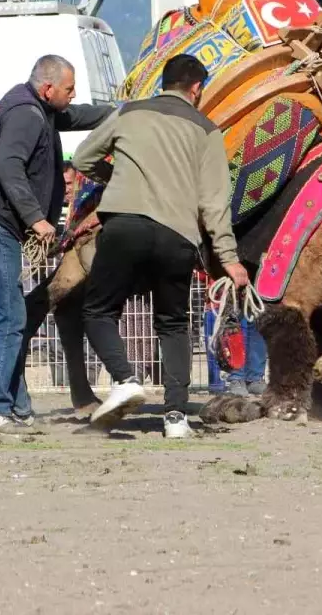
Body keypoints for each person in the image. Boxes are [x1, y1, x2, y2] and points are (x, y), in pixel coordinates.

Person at [72, 54, 248, 438]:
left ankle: (124, 379)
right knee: (173, 324)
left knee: (98, 310)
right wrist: (229, 259)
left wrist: (116, 177)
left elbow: (83, 157)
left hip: (124, 226)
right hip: (177, 234)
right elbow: (215, 203)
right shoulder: (206, 130)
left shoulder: (128, 112)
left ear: (164, 83)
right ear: (196, 88)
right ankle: (176, 418)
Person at [0, 55, 113, 435]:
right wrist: (36, 218)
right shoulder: (27, 115)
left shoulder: (39, 108)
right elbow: (9, 164)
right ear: (48, 88)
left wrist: (124, 110)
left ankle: (17, 407)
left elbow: (78, 115)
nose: (73, 95)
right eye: (69, 88)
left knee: (5, 316)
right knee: (11, 317)